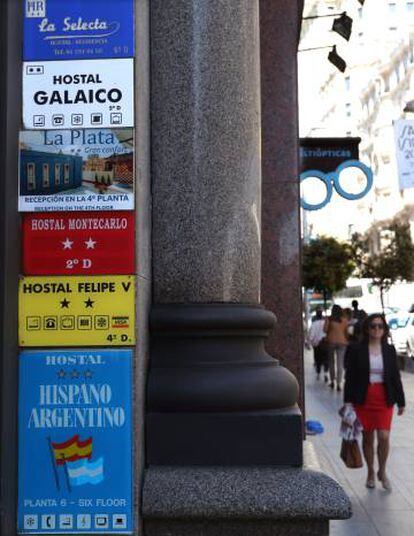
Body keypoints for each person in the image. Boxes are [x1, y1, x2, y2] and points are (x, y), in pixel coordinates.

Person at [344, 314, 405, 490]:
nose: (376, 329)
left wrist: (401, 401)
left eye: (380, 326)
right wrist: (348, 402)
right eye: (373, 326)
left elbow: (395, 377)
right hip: (364, 397)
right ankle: (371, 471)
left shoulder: (389, 350)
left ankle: (382, 471)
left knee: (384, 436)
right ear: (366, 328)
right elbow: (351, 377)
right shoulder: (356, 349)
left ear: (384, 330)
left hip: (384, 397)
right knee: (368, 437)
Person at [324, 304, 349, 391]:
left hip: (331, 341)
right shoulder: (345, 320)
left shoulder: (329, 319)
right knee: (340, 363)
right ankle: (339, 383)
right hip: (342, 342)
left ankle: (332, 381)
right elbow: (346, 332)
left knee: (331, 362)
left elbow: (325, 330)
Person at [308, 307, 329, 382]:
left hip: (317, 345)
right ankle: (326, 373)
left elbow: (311, 335)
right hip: (325, 344)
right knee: (326, 359)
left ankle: (318, 373)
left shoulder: (314, 324)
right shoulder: (325, 323)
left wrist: (310, 343)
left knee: (318, 359)